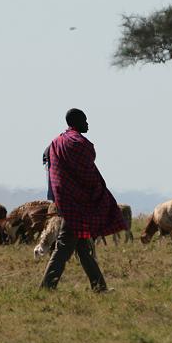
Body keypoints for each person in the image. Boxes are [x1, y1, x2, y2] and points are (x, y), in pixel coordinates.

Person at [39, 108, 126, 292]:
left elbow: (49, 163)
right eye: (85, 121)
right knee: (63, 248)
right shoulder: (78, 143)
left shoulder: (57, 142)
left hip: (66, 203)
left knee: (83, 250)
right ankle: (46, 288)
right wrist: (96, 194)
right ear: (76, 121)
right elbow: (86, 175)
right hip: (76, 208)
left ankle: (99, 287)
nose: (87, 124)